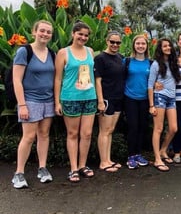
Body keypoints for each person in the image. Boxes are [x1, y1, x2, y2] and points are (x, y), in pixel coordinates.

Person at [11, 20, 55, 189]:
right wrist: (22, 105)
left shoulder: (51, 53)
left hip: (48, 100)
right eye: (42, 31)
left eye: (48, 32)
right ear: (34, 32)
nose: (45, 34)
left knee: (44, 134)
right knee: (29, 137)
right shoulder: (24, 51)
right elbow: (17, 79)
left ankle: (42, 168)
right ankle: (19, 173)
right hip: (30, 99)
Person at [54, 21, 97, 182]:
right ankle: (73, 168)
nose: (83, 37)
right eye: (80, 34)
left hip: (89, 96)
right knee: (72, 134)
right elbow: (58, 79)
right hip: (70, 97)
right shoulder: (63, 53)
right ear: (73, 34)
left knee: (86, 134)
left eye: (86, 35)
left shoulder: (90, 51)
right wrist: (57, 102)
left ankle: (82, 165)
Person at [148, 38, 181, 172]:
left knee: (173, 128)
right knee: (158, 128)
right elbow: (150, 85)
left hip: (171, 98)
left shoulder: (174, 63)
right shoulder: (156, 64)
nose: (168, 48)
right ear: (160, 49)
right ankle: (157, 159)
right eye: (164, 46)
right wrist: (151, 105)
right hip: (159, 97)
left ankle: (163, 150)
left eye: (169, 46)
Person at [94, 31, 124, 172]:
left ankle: (108, 159)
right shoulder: (100, 58)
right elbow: (97, 80)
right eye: (112, 42)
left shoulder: (120, 57)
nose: (115, 45)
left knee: (110, 130)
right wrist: (100, 100)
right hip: (106, 98)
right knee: (104, 130)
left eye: (118, 43)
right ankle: (103, 162)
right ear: (107, 41)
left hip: (118, 98)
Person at [124, 34, 152, 169]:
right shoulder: (127, 61)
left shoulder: (151, 63)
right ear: (134, 45)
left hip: (145, 99)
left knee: (142, 127)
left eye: (143, 44)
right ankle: (130, 156)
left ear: (147, 46)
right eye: (138, 44)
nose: (140, 46)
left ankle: (138, 154)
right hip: (130, 98)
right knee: (133, 127)